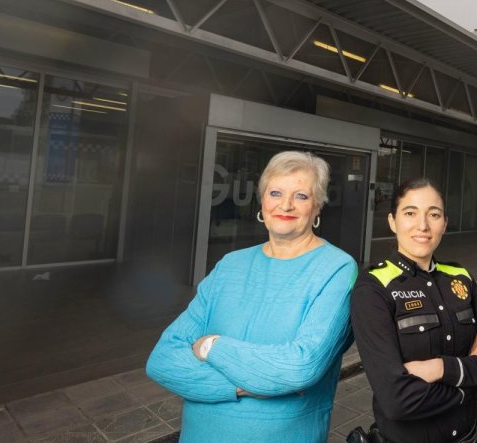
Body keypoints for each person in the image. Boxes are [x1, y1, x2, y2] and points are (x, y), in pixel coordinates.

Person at [146, 151, 357, 442]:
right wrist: (242, 387)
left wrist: (210, 346)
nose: (285, 204)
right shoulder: (230, 265)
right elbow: (162, 360)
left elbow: (300, 367)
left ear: (317, 206)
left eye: (301, 196)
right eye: (275, 193)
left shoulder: (337, 269)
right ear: (262, 202)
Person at [350, 178, 477, 443]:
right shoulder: (374, 287)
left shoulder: (460, 277)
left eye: (433, 215)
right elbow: (397, 400)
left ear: (444, 223)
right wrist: (469, 383)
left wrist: (440, 368)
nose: (423, 225)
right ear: (392, 221)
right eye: (410, 213)